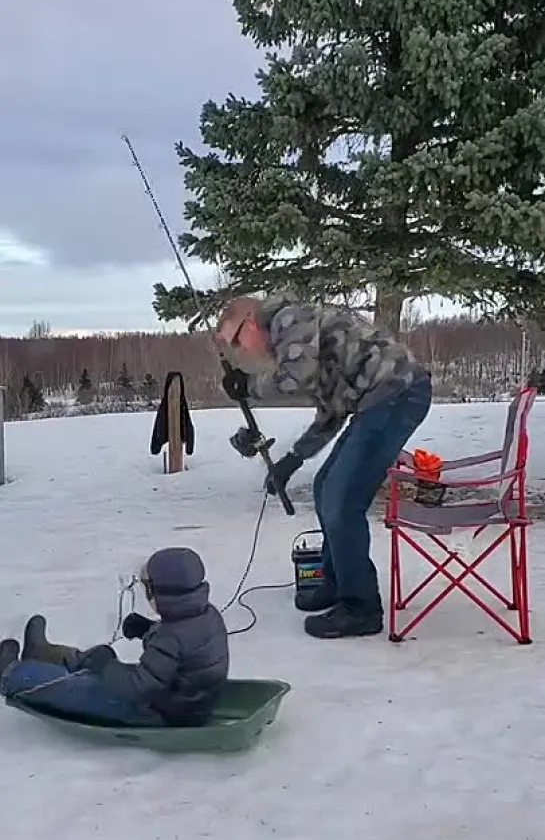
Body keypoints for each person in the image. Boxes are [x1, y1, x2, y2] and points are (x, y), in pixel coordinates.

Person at [216, 291, 432, 640]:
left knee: (342, 500)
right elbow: (330, 411)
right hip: (380, 400)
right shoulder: (299, 338)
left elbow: (293, 379)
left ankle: (360, 607)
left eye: (237, 340)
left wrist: (248, 387)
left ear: (251, 322)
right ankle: (336, 584)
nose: (240, 351)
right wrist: (292, 459)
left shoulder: (288, 321)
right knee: (325, 487)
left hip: (396, 394)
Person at [0, 547, 229, 727]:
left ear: (163, 594)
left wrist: (106, 667)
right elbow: (180, 651)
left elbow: (137, 686)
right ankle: (42, 654)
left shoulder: (172, 636)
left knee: (83, 687)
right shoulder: (205, 615)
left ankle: (12, 674)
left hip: (157, 711)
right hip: (183, 701)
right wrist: (147, 629)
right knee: (98, 658)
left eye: (147, 588)